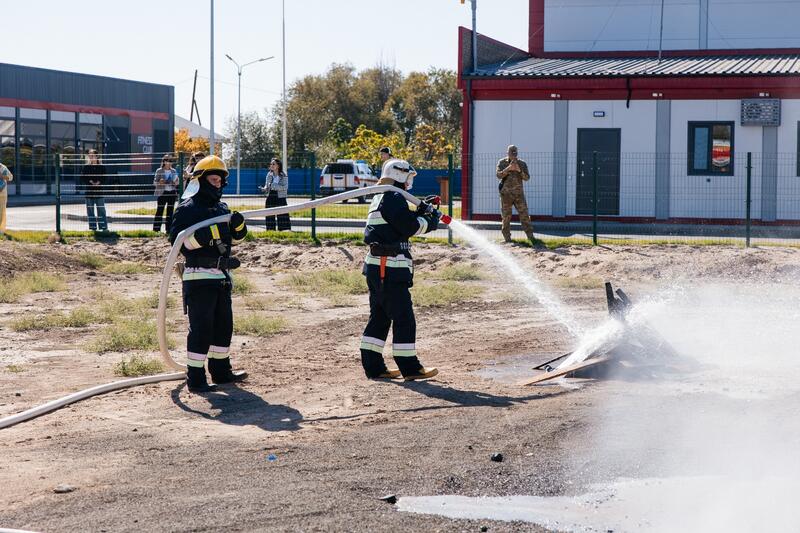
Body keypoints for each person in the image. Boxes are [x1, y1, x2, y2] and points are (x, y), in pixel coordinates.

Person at [169, 155, 249, 393]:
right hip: (198, 276)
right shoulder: (188, 209)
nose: (218, 185)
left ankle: (221, 371)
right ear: (201, 181)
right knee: (202, 329)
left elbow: (237, 238)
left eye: (220, 182)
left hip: (222, 278)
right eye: (214, 180)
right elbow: (178, 243)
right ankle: (196, 377)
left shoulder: (221, 208)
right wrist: (209, 232)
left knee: (224, 327)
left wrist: (238, 226)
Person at [359, 158, 440, 381]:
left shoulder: (383, 197)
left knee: (380, 317)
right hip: (389, 268)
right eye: (409, 178)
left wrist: (422, 211)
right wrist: (430, 220)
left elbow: (399, 223)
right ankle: (410, 368)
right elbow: (410, 227)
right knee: (404, 317)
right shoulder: (393, 197)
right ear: (401, 175)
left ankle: (374, 367)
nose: (409, 184)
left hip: (380, 267)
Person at [496, 144, 534, 244]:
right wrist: (508, 168)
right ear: (507, 153)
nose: (514, 155)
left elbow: (527, 178)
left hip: (518, 195)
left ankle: (531, 237)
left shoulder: (522, 163)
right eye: (512, 153)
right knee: (506, 217)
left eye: (515, 153)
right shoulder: (502, 162)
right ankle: (507, 239)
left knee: (524, 215)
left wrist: (519, 170)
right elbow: (498, 175)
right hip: (506, 195)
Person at [81, 149, 108, 232]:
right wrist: (90, 181)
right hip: (89, 192)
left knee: (101, 210)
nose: (90, 157)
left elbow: (105, 177)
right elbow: (82, 177)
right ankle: (92, 228)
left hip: (99, 192)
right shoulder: (86, 167)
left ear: (97, 156)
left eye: (92, 155)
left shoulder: (102, 167)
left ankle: (103, 227)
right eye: (89, 155)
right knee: (90, 211)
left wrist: (99, 182)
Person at [260, 157, 291, 231]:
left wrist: (274, 186)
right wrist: (264, 188)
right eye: (271, 164)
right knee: (269, 214)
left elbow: (285, 187)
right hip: (270, 196)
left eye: (273, 164)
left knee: (282, 214)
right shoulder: (269, 174)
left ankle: (284, 230)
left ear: (278, 166)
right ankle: (270, 230)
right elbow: (267, 185)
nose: (271, 165)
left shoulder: (283, 175)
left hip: (280, 197)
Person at [152, 154, 179, 232]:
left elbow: (176, 182)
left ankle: (168, 230)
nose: (169, 162)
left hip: (172, 193)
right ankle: (156, 230)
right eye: (167, 160)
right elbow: (154, 182)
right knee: (160, 210)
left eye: (171, 161)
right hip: (162, 193)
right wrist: (159, 182)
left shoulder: (173, 171)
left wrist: (175, 182)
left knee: (170, 212)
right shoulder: (159, 170)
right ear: (164, 161)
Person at [0, 161, 13, 235]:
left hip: (2, 194)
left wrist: (2, 176)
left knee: (1, 212)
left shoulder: (3, 168)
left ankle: (1, 230)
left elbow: (10, 177)